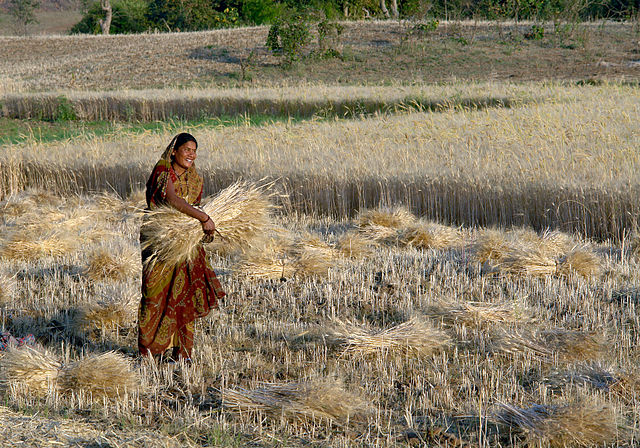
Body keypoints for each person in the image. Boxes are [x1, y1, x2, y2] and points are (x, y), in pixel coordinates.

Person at [138, 132, 225, 362]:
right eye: (187, 149)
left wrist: (203, 230)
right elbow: (170, 198)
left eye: (194, 151)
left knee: (184, 295)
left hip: (185, 245)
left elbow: (193, 206)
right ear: (174, 150)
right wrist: (203, 217)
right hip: (160, 242)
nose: (191, 154)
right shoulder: (162, 170)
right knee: (154, 295)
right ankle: (151, 353)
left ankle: (182, 354)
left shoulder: (195, 178)